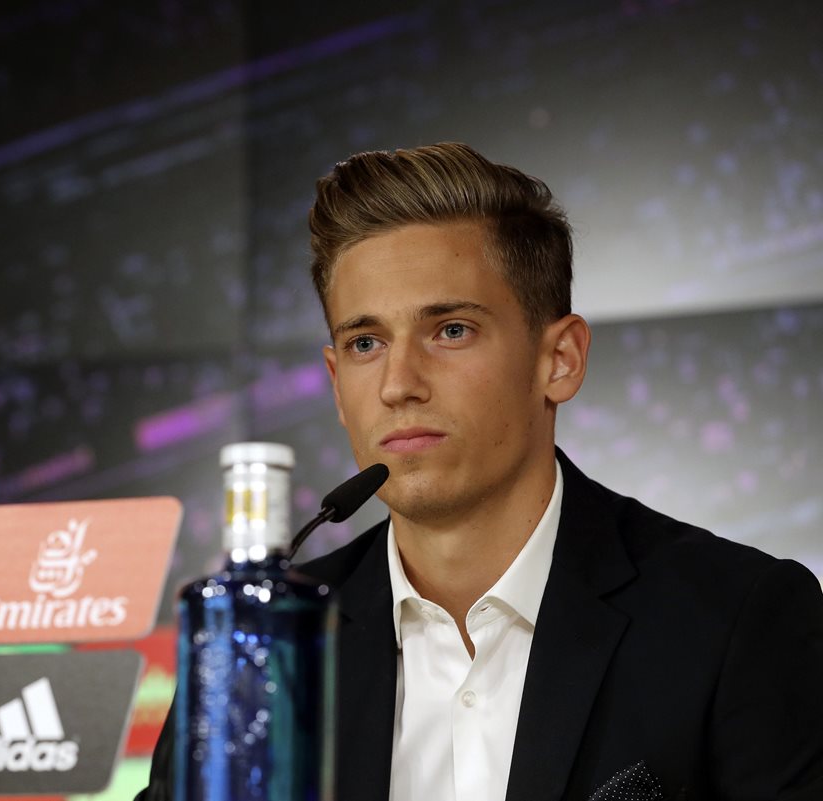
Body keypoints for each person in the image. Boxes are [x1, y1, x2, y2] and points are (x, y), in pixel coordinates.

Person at [139, 142, 823, 800]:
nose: (397, 383)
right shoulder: (264, 646)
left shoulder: (737, 618)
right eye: (366, 342)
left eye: (451, 330)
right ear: (335, 379)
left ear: (559, 359)